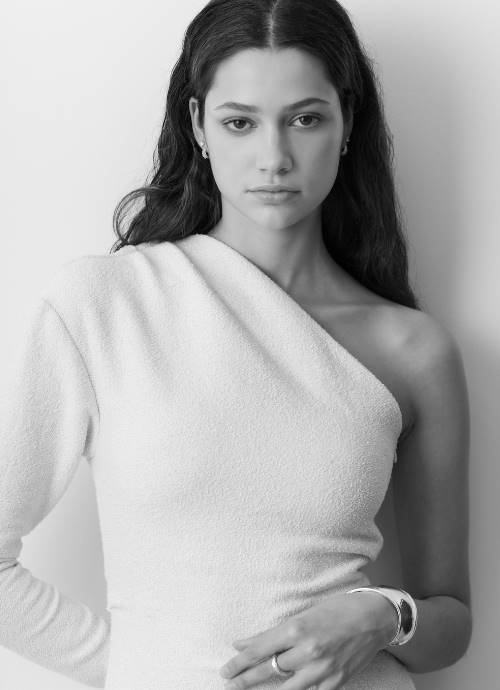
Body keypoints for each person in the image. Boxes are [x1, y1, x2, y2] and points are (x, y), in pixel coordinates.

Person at [0, 0, 472, 689]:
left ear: (346, 124)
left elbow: (450, 623)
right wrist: (141, 670)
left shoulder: (413, 348)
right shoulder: (105, 304)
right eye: (240, 122)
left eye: (305, 119)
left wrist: (382, 615)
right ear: (198, 125)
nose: (273, 158)